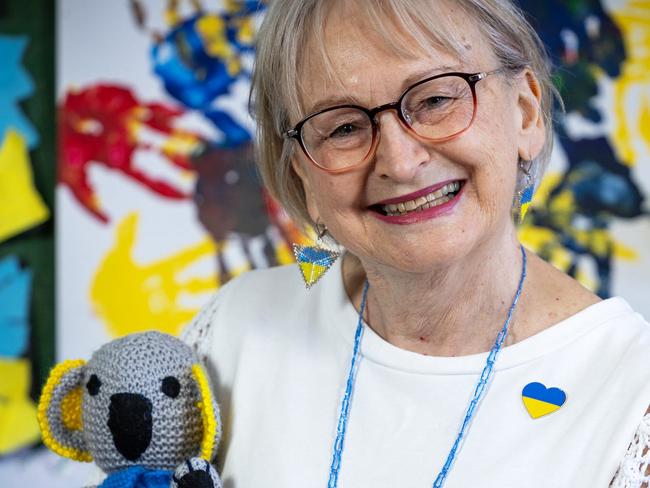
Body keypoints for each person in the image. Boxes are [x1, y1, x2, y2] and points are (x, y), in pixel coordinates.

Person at [182, 1, 650, 486]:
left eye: (435, 100)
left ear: (526, 114)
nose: (400, 162)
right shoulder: (235, 329)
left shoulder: (632, 401)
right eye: (343, 128)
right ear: (303, 178)